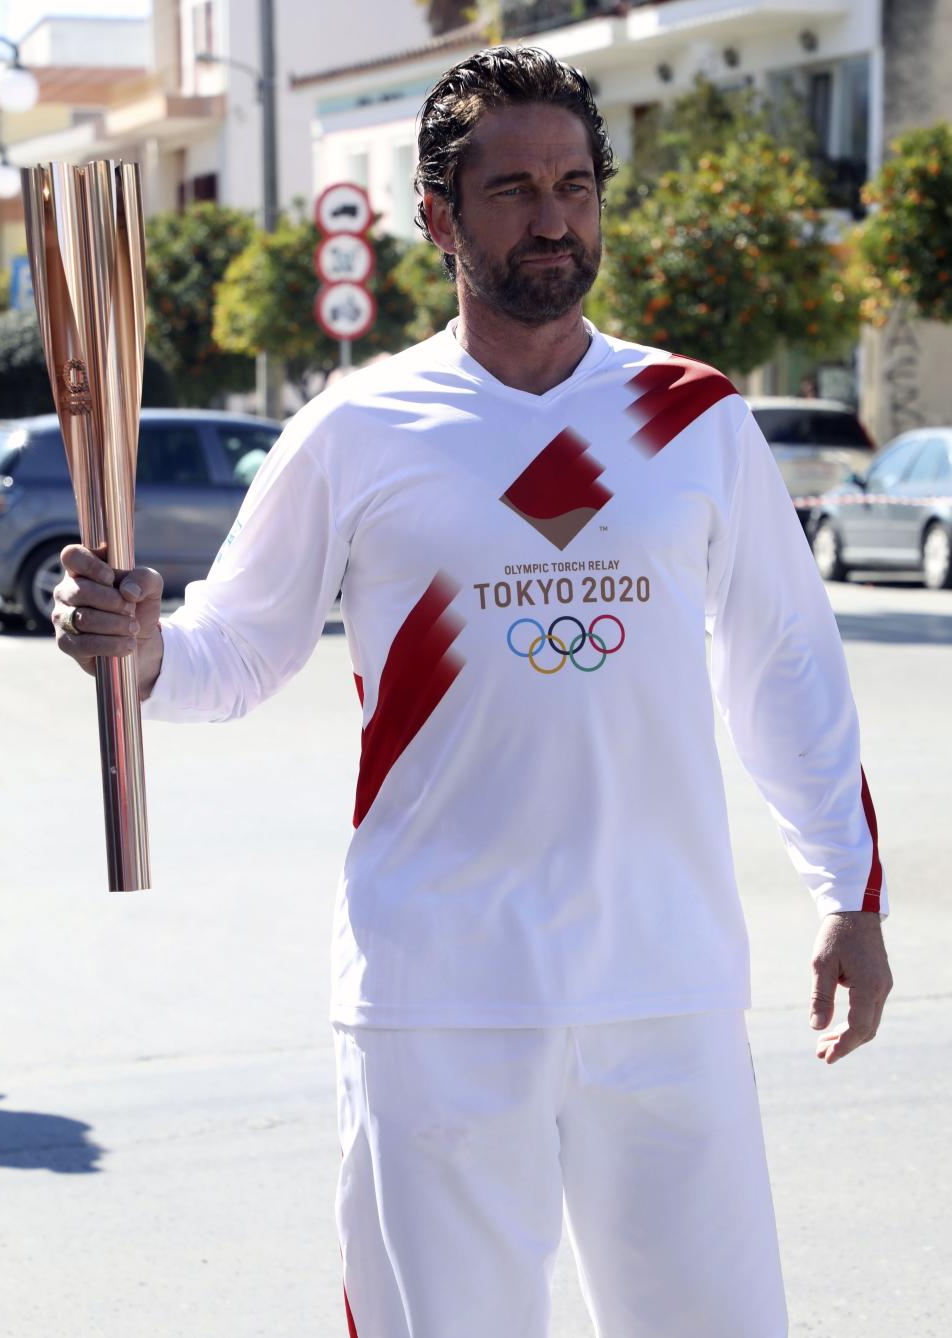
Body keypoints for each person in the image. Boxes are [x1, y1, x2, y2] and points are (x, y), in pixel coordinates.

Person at [52, 45, 892, 1338]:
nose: (552, 216)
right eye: (511, 189)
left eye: (574, 184)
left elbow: (784, 662)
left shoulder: (694, 416)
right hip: (437, 992)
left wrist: (849, 889)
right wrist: (139, 647)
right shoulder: (358, 427)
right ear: (439, 216)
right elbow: (235, 645)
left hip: (660, 983)